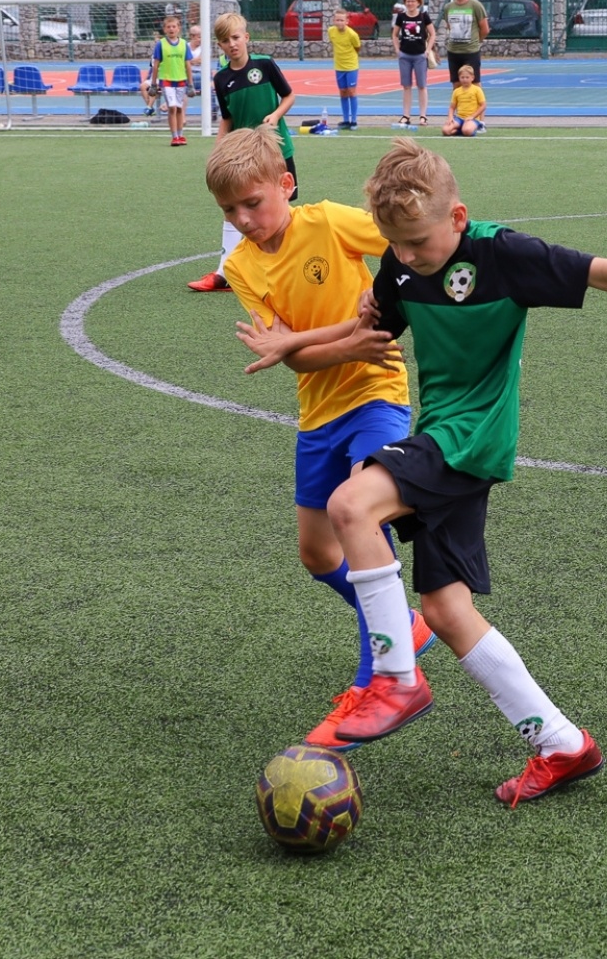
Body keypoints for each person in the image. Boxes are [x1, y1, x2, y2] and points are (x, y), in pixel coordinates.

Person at [239, 137, 607, 805]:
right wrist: (297, 344)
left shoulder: (503, 255)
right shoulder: (398, 269)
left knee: (351, 507)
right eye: (394, 246)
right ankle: (562, 743)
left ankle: (396, 676)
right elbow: (369, 331)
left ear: (457, 216)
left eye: (420, 243)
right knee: (448, 608)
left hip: (471, 438)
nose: (408, 258)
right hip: (442, 437)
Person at [207, 127, 435, 751]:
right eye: (229, 210)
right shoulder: (240, 267)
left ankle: (379, 679)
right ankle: (408, 627)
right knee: (316, 554)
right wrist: (346, 337)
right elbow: (294, 360)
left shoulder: (330, 222)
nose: (243, 219)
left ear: (286, 184)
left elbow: (403, 250)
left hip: (376, 395)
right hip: (317, 414)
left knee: (362, 519)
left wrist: (377, 311)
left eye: (253, 202)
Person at [187, 12, 296, 293]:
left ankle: (286, 266)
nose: (232, 44)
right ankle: (225, 274)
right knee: (235, 209)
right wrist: (219, 149)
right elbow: (227, 119)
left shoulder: (265, 65)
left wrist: (275, 115)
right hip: (244, 157)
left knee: (281, 207)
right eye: (225, 40)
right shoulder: (222, 79)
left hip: (277, 149)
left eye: (236, 37)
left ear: (246, 37)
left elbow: (289, 96)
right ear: (220, 46)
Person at [392, 0, 435, 128]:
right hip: (405, 55)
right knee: (406, 86)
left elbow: (432, 34)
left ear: (418, 3)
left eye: (413, 1)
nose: (410, 3)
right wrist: (398, 50)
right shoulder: (401, 17)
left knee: (422, 86)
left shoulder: (424, 16)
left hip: (420, 56)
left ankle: (423, 116)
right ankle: (406, 115)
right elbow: (394, 34)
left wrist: (427, 50)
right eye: (408, 1)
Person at [150, 15, 192, 145]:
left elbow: (188, 65)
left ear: (178, 28)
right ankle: (174, 136)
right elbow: (156, 64)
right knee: (172, 107)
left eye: (174, 26)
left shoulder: (184, 44)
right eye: (169, 27)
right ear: (165, 29)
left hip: (181, 80)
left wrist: (190, 84)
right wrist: (153, 83)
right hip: (166, 80)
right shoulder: (160, 45)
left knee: (179, 108)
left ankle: (180, 135)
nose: (171, 29)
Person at [440, 0, 489, 87]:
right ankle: (459, 104)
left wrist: (477, 41)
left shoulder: (475, 5)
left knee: (474, 83)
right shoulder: (448, 7)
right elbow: (449, 26)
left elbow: (485, 29)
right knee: (456, 84)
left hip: (470, 52)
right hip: (453, 52)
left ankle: (479, 104)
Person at [327, 8, 362, 130]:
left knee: (352, 91)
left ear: (347, 21)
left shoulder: (352, 34)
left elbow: (357, 47)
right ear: (334, 21)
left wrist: (350, 58)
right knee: (342, 92)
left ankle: (354, 121)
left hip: (351, 66)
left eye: (342, 20)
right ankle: (346, 120)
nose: (339, 22)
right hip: (339, 66)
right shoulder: (331, 31)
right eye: (337, 20)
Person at [441, 62, 485, 136]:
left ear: (472, 78)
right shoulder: (456, 91)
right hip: (459, 118)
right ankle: (460, 129)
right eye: (462, 77)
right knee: (445, 130)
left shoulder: (477, 90)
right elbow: (452, 107)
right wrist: (450, 117)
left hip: (472, 119)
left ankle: (473, 127)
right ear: (459, 78)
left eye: (467, 77)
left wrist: (472, 116)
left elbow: (483, 105)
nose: (465, 80)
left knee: (467, 131)